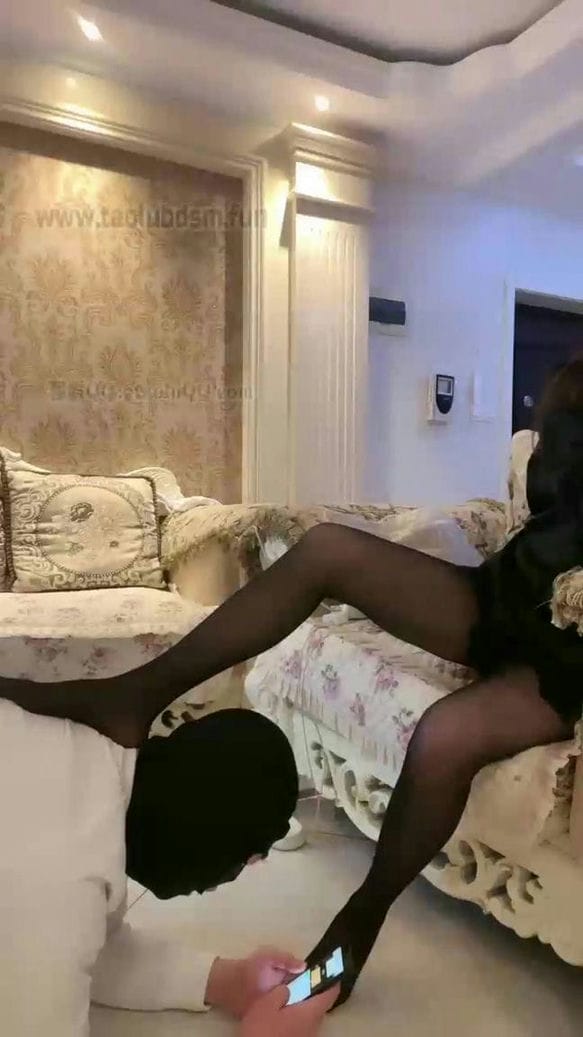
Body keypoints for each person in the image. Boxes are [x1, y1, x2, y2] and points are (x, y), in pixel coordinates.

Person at [4, 358, 583, 1007]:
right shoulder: (571, 386)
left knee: (445, 735)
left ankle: (356, 927)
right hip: (512, 596)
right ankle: (133, 695)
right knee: (329, 549)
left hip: (567, 651)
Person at [0, 700, 315, 1035]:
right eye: (235, 864)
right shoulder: (65, 875)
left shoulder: (88, 765)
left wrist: (228, 981)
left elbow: (90, 952)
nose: (212, 886)